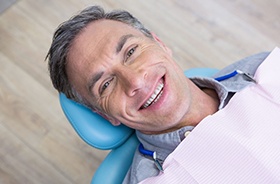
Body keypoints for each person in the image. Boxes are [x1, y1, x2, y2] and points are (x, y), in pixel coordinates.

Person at [46, 6, 269, 183]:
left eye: (131, 52)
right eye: (105, 85)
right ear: (106, 116)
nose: (135, 81)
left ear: (160, 44)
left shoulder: (265, 69)